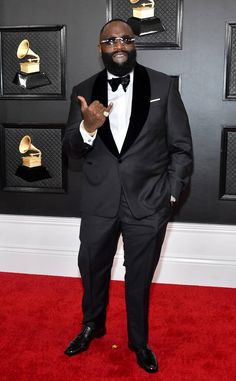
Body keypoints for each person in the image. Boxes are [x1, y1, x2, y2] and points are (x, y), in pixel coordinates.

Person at [63, 19, 193, 373]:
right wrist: (88, 127)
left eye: (124, 39)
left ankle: (139, 341)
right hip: (98, 202)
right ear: (100, 47)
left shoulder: (163, 87)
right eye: (110, 40)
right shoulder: (83, 89)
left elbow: (181, 148)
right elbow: (71, 150)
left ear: (133, 44)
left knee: (139, 276)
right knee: (91, 270)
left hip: (148, 203)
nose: (118, 44)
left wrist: (170, 194)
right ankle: (92, 324)